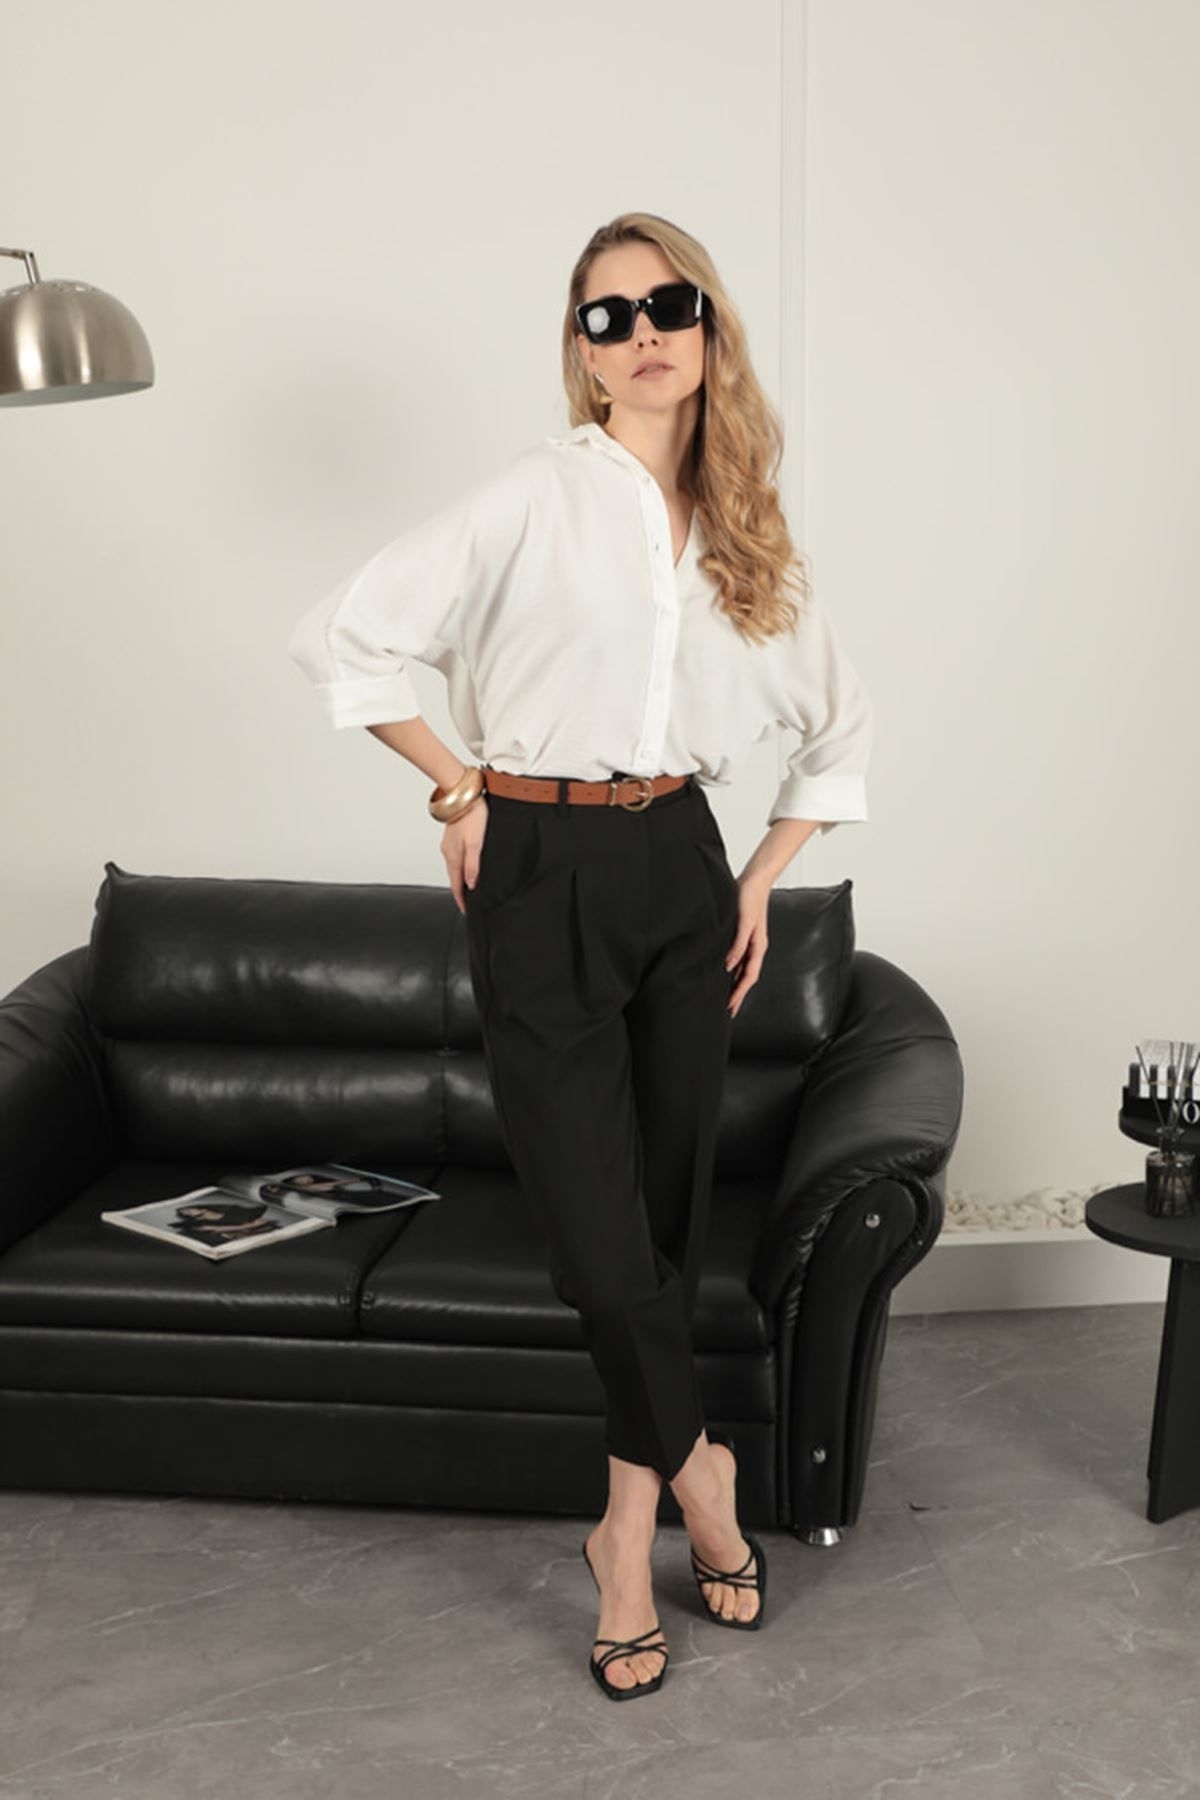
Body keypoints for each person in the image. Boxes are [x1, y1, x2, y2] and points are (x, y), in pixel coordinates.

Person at [287, 210, 873, 1700]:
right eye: (608, 317)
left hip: (682, 861)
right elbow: (345, 639)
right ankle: (702, 1472)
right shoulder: (533, 497)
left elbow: (840, 727)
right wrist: (460, 788)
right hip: (538, 862)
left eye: (667, 304)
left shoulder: (748, 531)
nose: (642, 334)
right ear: (583, 352)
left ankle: (622, 1538)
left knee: (660, 1228)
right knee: (598, 1245)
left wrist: (759, 878)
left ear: (709, 325)